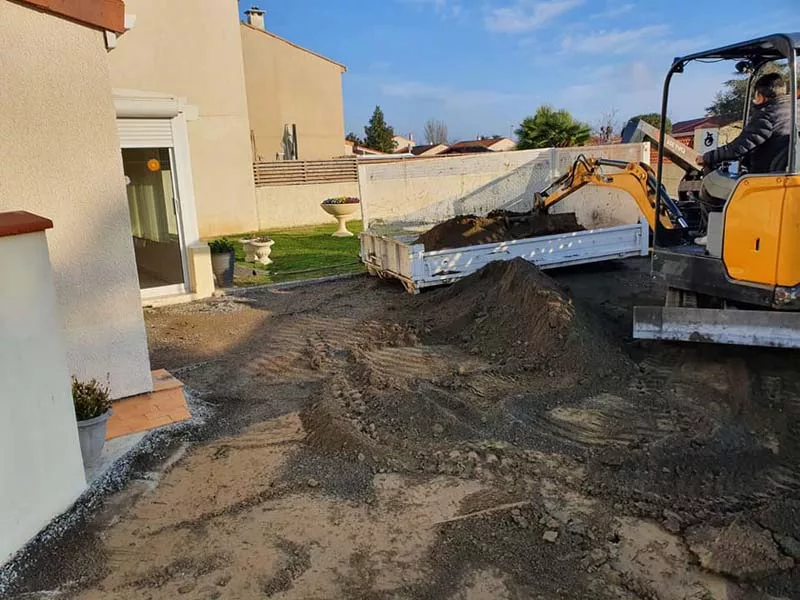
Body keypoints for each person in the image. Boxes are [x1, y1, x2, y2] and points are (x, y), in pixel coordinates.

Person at [696, 72, 793, 174]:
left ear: (760, 96)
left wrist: (707, 157)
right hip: (785, 170)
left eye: (756, 96)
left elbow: (739, 147)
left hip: (765, 174)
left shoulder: (767, 115)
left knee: (714, 180)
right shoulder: (795, 108)